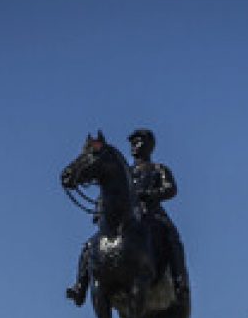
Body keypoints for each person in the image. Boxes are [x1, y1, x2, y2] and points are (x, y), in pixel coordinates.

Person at [66, 128, 190, 307]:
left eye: (138, 142)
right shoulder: (124, 171)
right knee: (89, 246)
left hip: (152, 215)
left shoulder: (158, 169)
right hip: (126, 218)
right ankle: (80, 286)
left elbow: (170, 189)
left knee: (172, 239)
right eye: (132, 143)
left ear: (149, 146)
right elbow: (109, 190)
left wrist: (149, 194)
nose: (134, 146)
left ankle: (180, 282)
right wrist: (100, 207)